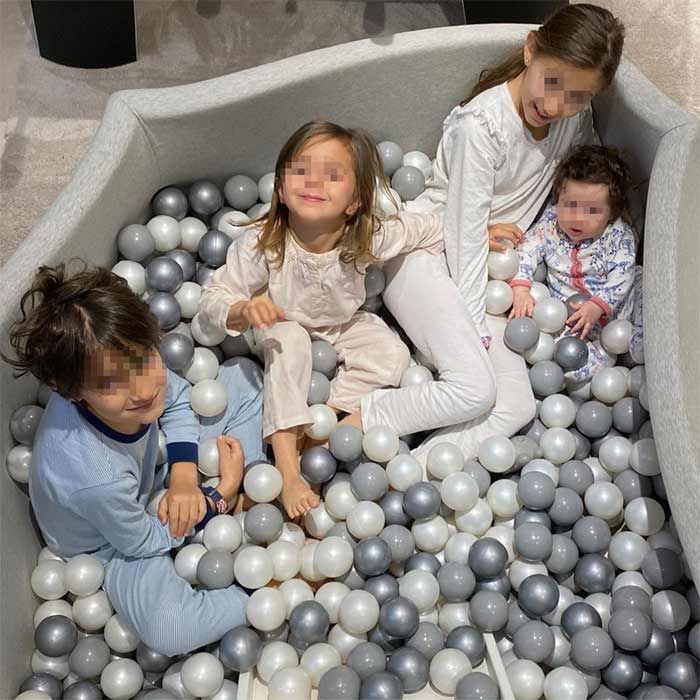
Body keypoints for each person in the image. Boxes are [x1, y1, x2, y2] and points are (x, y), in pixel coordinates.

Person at [364, 3, 626, 462]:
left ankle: (415, 472)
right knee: (476, 388)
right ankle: (357, 420)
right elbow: (464, 238)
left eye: (577, 96)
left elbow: (589, 180)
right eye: (552, 82)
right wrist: (476, 335)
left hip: (492, 277)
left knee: (517, 405)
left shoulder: (573, 119)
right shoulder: (482, 127)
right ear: (530, 50)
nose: (556, 105)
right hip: (427, 255)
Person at [200, 120, 466, 518]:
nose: (314, 182)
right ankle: (287, 467)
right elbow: (214, 295)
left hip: (339, 323)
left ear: (355, 202)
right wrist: (243, 309)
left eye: (333, 175)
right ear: (280, 188)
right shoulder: (264, 243)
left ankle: (319, 429)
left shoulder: (366, 236)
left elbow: (425, 228)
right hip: (276, 322)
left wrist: (475, 235)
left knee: (391, 354)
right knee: (290, 340)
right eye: (301, 170)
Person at [4, 263, 266, 656]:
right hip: (111, 545)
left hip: (149, 476)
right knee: (170, 632)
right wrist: (220, 494)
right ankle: (263, 589)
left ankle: (250, 491)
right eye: (111, 383)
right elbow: (143, 541)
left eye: (144, 360)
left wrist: (183, 477)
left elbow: (177, 399)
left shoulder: (125, 371)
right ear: (72, 392)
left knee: (243, 376)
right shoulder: (96, 479)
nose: (142, 389)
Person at [510, 145, 640, 382]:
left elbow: (622, 275)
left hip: (616, 313)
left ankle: (634, 343)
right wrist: (521, 288)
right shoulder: (550, 224)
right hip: (567, 317)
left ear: (612, 213)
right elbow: (527, 248)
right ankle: (570, 371)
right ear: (558, 198)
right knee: (560, 354)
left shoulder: (618, 235)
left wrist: (598, 305)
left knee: (641, 283)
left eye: (592, 211)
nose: (577, 218)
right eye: (569, 205)